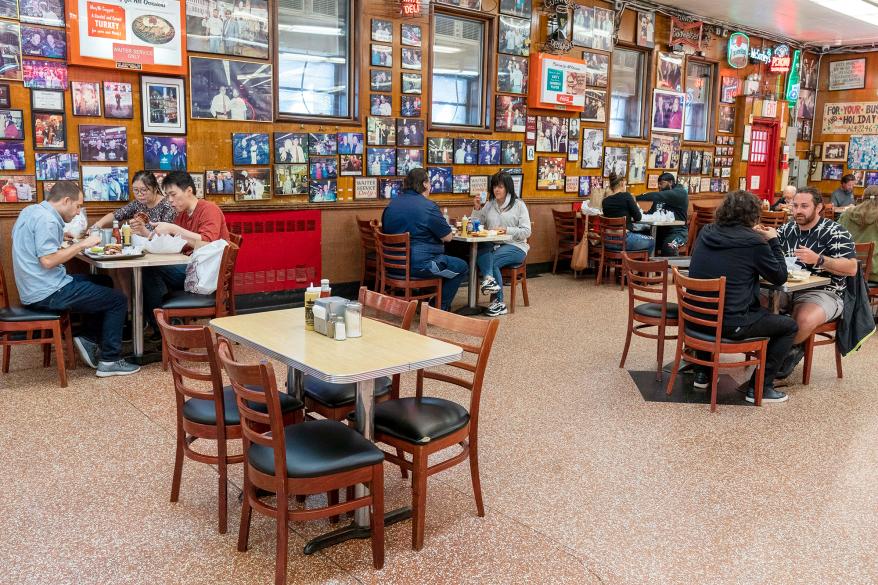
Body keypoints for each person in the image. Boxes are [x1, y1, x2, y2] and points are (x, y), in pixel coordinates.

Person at [11, 181, 140, 377]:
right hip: (47, 292)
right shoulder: (48, 220)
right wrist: (82, 244)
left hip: (34, 287)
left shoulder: (31, 211)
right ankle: (110, 360)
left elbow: (33, 243)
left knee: (102, 282)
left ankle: (88, 338)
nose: (78, 212)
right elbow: (47, 261)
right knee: (117, 300)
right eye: (78, 206)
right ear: (66, 200)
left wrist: (63, 236)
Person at [687, 191, 797, 403]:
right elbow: (779, 277)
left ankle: (703, 373)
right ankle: (760, 388)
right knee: (788, 326)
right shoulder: (754, 243)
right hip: (730, 325)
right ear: (754, 216)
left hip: (695, 320)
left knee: (717, 303)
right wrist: (773, 241)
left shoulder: (706, 231)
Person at [775, 187, 858, 377]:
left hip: (826, 292)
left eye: (804, 206)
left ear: (818, 207)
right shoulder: (787, 229)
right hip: (785, 288)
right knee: (752, 303)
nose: (798, 211)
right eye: (795, 205)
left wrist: (819, 259)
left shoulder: (835, 231)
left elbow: (852, 267)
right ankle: (771, 352)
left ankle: (786, 352)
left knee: (803, 319)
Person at [139, 172, 230, 335]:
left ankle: (166, 329)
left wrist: (173, 229)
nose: (170, 201)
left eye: (173, 195)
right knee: (147, 270)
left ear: (189, 191)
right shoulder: (182, 215)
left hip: (206, 274)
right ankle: (166, 327)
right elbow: (179, 244)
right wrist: (150, 234)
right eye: (167, 196)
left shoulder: (209, 209)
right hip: (193, 267)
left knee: (150, 270)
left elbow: (207, 243)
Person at [381, 168, 468, 312]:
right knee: (461, 266)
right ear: (425, 184)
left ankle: (426, 302)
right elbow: (448, 237)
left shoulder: (392, 205)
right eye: (429, 182)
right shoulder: (428, 207)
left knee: (443, 263)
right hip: (420, 266)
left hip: (391, 266)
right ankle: (437, 308)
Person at [470, 172, 531, 316]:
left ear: (508, 188)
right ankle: (490, 280)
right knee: (482, 251)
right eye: (495, 187)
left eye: (500, 187)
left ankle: (499, 302)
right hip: (493, 244)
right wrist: (477, 209)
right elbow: (476, 225)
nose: (497, 190)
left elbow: (527, 231)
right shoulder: (489, 204)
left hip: (516, 246)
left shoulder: (519, 205)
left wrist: (507, 230)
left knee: (493, 260)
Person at [601, 172, 655, 254]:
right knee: (652, 241)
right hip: (624, 240)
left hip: (607, 241)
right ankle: (637, 265)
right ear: (621, 183)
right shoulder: (627, 196)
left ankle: (625, 262)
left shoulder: (605, 201)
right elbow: (638, 217)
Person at [636, 172, 689, 256]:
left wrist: (634, 198)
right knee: (640, 241)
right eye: (658, 184)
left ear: (671, 182)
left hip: (679, 233)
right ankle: (647, 267)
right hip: (659, 232)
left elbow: (657, 195)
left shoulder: (680, 193)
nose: (659, 186)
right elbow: (651, 213)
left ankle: (673, 269)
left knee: (670, 247)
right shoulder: (660, 196)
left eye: (662, 183)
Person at [839, 186, 878, 283]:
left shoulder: (846, 214)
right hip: (874, 273)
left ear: (862, 196)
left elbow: (836, 237)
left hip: (846, 268)